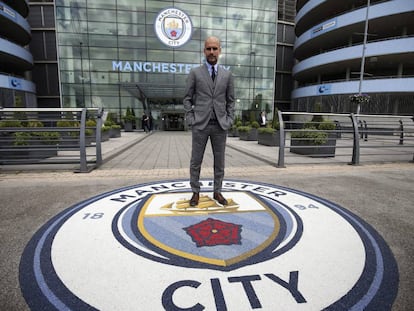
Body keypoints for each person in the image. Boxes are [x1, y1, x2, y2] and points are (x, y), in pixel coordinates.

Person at [183, 36, 235, 206]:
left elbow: (231, 100)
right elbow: (187, 98)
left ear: (220, 51)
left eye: (214, 48)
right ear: (204, 51)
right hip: (200, 125)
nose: (211, 52)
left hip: (220, 125)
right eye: (208, 49)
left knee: (219, 161)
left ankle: (217, 191)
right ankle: (195, 192)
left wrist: (229, 119)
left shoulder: (227, 75)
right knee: (195, 160)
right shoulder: (195, 73)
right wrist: (191, 119)